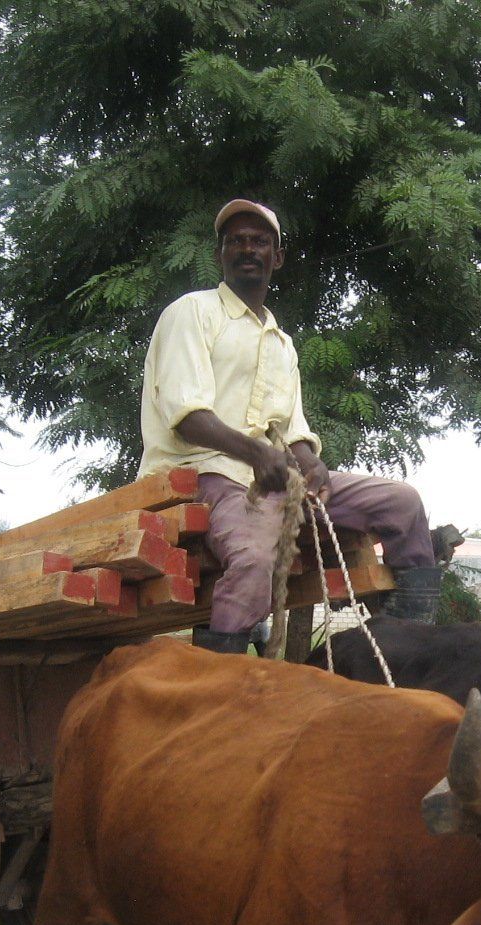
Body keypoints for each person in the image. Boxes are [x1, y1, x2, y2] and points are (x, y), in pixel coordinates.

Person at [139, 199, 441, 653]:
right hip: (202, 472)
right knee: (255, 558)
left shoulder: (282, 343)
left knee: (402, 503)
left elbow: (291, 429)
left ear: (276, 257)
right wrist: (259, 454)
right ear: (220, 254)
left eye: (259, 241)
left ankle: (408, 644)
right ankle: (221, 677)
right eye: (235, 241)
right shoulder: (192, 312)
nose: (247, 248)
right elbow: (188, 419)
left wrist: (311, 463)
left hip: (272, 476)